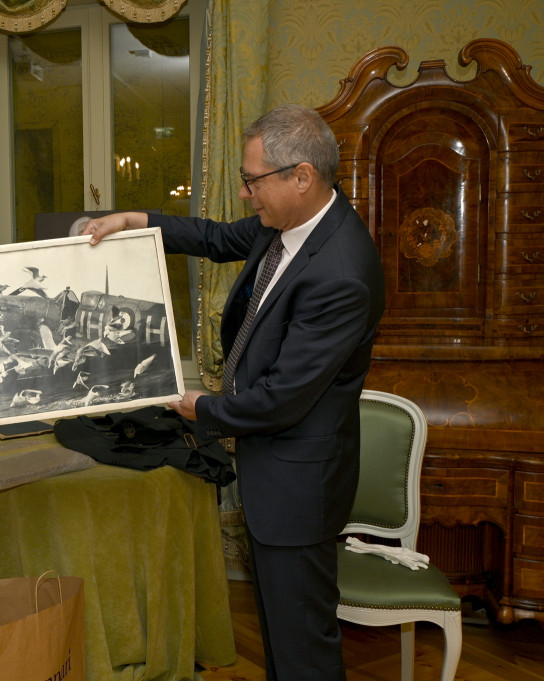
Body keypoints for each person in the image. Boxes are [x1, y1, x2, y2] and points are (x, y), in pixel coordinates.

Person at [82, 103, 385, 680]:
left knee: (303, 644)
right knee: (280, 628)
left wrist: (200, 405)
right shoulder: (288, 227)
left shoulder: (341, 271)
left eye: (252, 182)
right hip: (276, 467)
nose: (246, 195)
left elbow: (281, 398)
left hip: (300, 483)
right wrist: (133, 221)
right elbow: (214, 237)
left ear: (302, 176)